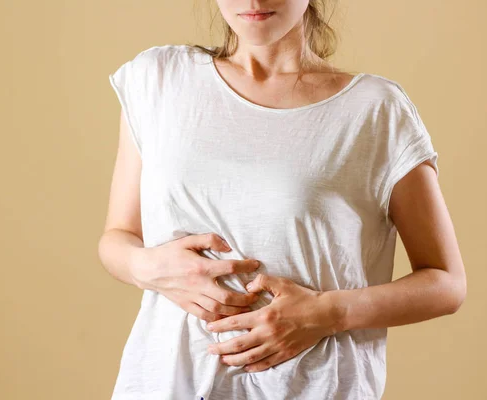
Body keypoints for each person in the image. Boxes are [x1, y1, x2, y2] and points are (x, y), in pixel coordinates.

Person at [98, 1, 467, 399]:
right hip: (164, 384)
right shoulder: (157, 79)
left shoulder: (375, 109)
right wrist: (149, 266)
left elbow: (446, 283)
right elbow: (117, 238)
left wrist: (328, 312)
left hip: (313, 388)